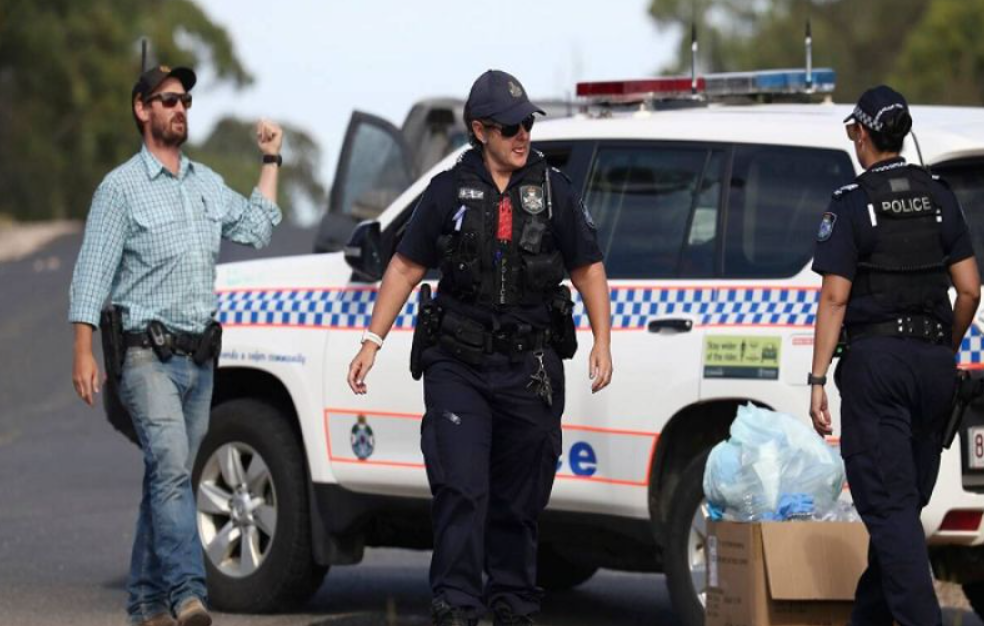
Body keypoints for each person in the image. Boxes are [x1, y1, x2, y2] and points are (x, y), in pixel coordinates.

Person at [347, 69, 612, 626]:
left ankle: (512, 601)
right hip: (459, 363)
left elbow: (588, 268)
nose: (523, 136)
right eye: (511, 127)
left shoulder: (554, 189)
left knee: (519, 499)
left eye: (527, 125)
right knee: (461, 488)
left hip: (531, 365)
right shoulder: (447, 188)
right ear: (480, 130)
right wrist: (372, 341)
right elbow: (404, 264)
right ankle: (458, 603)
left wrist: (602, 341)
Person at [69, 64, 284, 626]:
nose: (181, 108)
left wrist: (270, 160)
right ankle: (188, 595)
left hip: (198, 361)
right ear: (142, 109)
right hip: (143, 357)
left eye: (186, 99)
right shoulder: (120, 188)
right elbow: (91, 273)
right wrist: (83, 350)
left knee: (167, 478)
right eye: (168, 100)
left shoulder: (206, 183)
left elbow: (258, 227)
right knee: (169, 470)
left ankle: (144, 605)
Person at [809, 85, 980, 626]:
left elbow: (835, 298)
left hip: (877, 368)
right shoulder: (939, 195)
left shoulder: (852, 204)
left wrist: (816, 379)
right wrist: (943, 348)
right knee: (900, 513)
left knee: (889, 509)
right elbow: (970, 289)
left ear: (862, 134)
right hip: (934, 367)